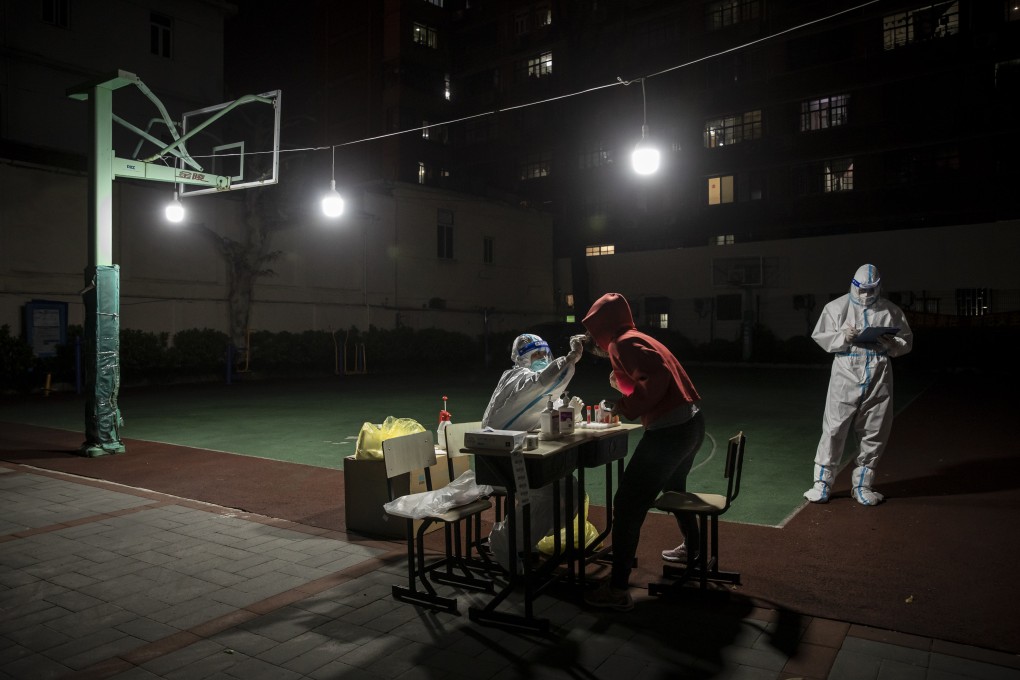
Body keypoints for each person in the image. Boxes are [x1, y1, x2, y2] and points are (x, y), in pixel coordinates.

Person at [580, 293, 704, 611]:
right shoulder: (635, 337)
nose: (595, 342)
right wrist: (623, 389)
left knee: (627, 503)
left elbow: (656, 380)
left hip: (670, 431)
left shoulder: (622, 343)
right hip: (690, 424)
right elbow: (648, 380)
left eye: (594, 333)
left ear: (601, 327)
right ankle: (694, 549)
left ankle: (618, 589)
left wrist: (622, 406)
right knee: (674, 487)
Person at [804, 264, 913, 506]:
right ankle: (821, 483)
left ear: (879, 287)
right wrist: (844, 337)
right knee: (834, 427)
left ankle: (863, 484)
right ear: (853, 285)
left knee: (875, 429)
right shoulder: (836, 308)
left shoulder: (890, 311)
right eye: (861, 289)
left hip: (879, 370)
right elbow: (821, 336)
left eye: (871, 289)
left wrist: (891, 343)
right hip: (846, 370)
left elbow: (906, 342)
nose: (865, 295)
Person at [482, 332, 586, 569]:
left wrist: (573, 413)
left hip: (519, 458)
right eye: (535, 354)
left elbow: (549, 412)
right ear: (522, 358)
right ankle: (506, 542)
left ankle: (525, 541)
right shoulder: (516, 378)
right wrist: (569, 358)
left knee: (571, 492)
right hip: (500, 461)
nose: (541, 357)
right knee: (552, 495)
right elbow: (539, 383)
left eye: (544, 353)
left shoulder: (538, 387)